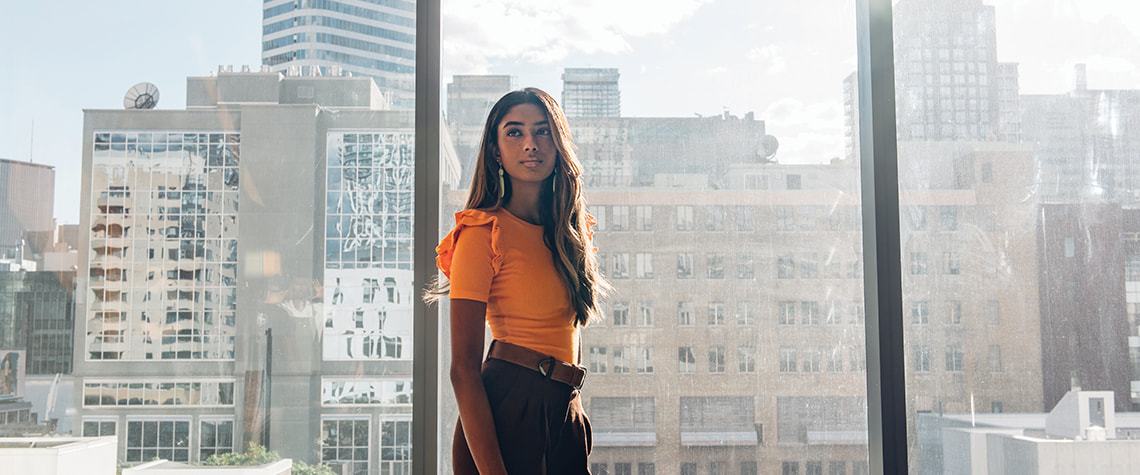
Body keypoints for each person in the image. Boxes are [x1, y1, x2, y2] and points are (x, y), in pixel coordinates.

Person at [428, 88, 609, 474]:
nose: (531, 143)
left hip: (565, 409)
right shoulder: (482, 232)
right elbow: (462, 369)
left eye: (543, 131)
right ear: (496, 150)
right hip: (510, 409)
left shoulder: (570, 234)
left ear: (559, 143)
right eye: (514, 132)